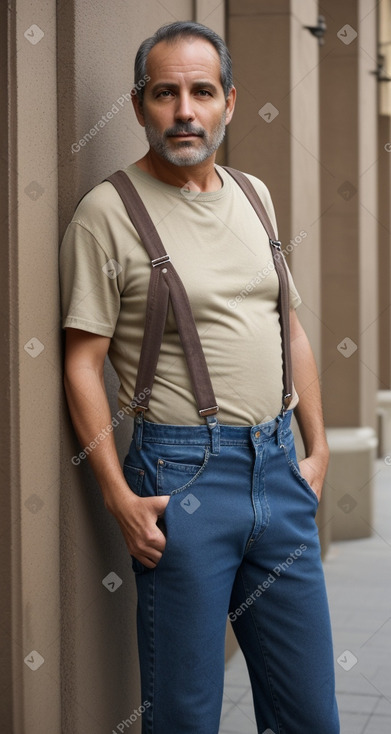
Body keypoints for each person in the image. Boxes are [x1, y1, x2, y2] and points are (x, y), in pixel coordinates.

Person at [60, 20, 340, 734]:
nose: (185, 110)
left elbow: (291, 329)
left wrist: (318, 448)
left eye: (201, 92)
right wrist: (118, 497)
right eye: (166, 93)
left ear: (229, 102)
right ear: (138, 105)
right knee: (184, 715)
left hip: (278, 470)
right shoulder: (107, 214)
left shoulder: (253, 195)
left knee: (309, 713)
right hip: (179, 481)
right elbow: (81, 363)